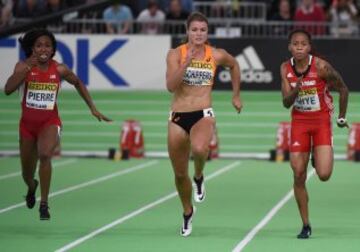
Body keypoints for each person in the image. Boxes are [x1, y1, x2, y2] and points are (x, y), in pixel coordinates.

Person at [4, 29, 111, 220]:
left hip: (49, 122)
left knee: (45, 155)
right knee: (26, 174)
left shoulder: (59, 69)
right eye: (39, 45)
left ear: (53, 49)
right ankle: (31, 187)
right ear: (32, 48)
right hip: (27, 126)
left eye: (47, 45)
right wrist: (27, 68)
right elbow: (8, 89)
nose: (43, 49)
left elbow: (78, 82)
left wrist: (92, 108)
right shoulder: (22, 66)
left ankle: (44, 203)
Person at [166, 12, 242, 237]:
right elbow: (170, 86)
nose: (198, 34)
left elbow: (235, 65)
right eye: (194, 29)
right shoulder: (174, 54)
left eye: (203, 30)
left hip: (203, 113)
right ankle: (188, 211)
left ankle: (199, 175)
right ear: (187, 31)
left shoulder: (216, 55)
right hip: (178, 116)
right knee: (180, 175)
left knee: (199, 149)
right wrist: (186, 63)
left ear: (207, 33)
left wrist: (236, 95)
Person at [280, 29, 349, 239]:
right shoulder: (285, 68)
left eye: (303, 44)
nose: (299, 47)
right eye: (295, 44)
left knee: (324, 175)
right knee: (298, 174)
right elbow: (285, 103)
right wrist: (296, 90)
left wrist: (341, 118)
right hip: (299, 122)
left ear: (309, 47)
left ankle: (315, 156)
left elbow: (343, 89)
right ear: (290, 47)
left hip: (320, 122)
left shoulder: (320, 66)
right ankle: (306, 224)